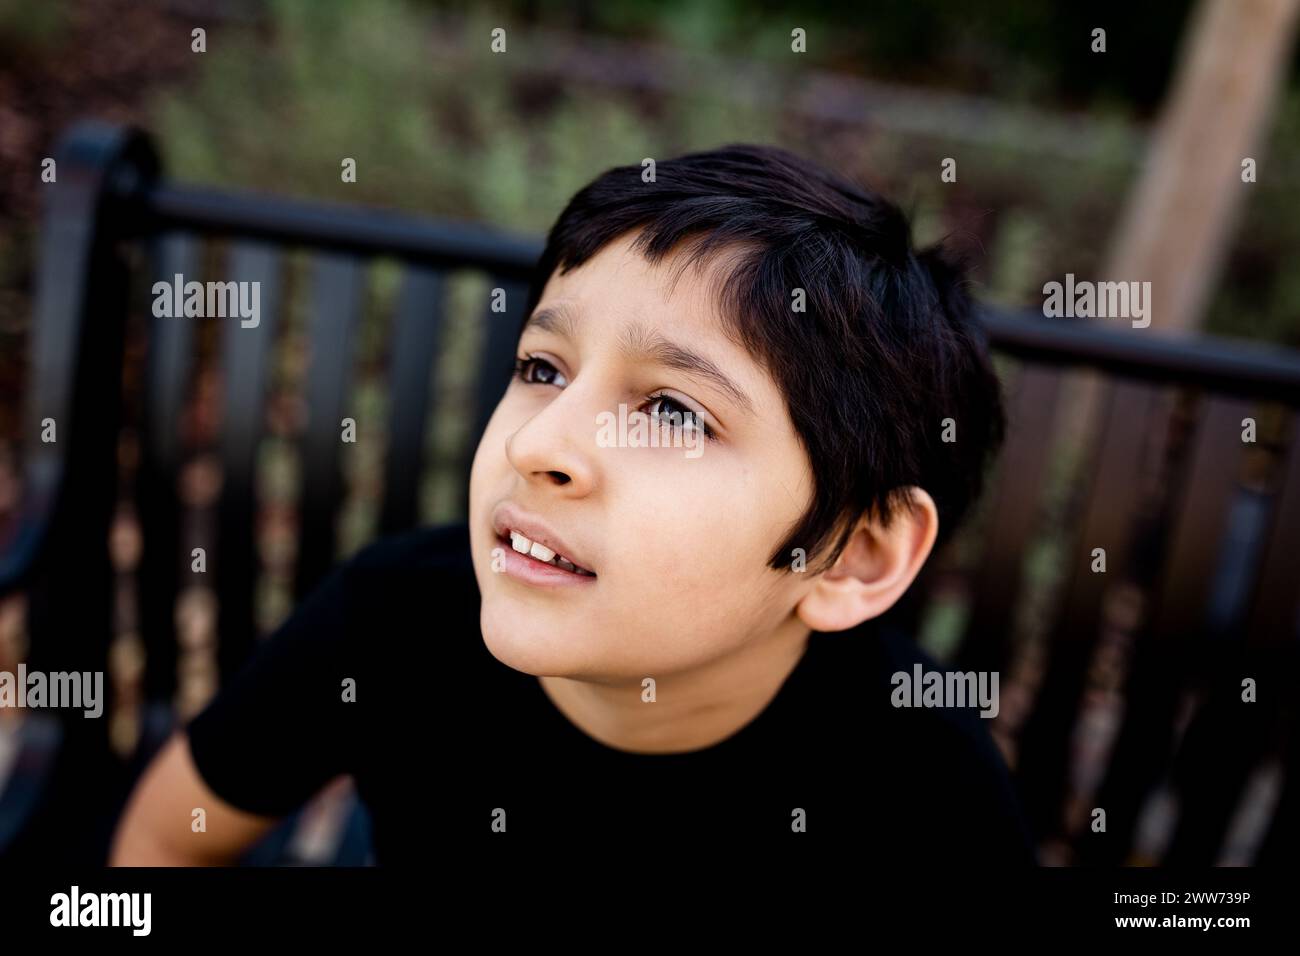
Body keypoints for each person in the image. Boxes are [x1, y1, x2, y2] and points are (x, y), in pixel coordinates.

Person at [110, 144, 1034, 865]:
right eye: (542, 369)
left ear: (852, 556)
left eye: (673, 410)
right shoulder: (393, 620)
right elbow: (170, 839)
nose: (535, 444)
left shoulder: (925, 788)